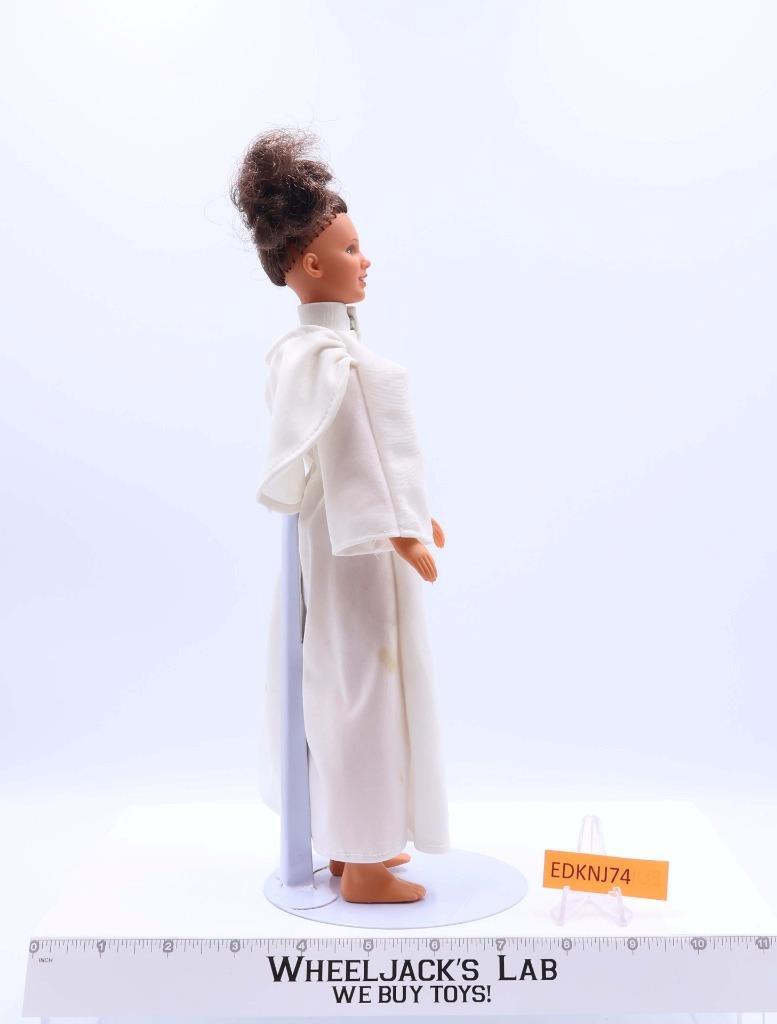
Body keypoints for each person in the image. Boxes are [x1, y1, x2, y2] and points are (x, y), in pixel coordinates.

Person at [231, 128, 450, 903]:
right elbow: (351, 457)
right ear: (312, 264)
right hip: (350, 549)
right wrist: (398, 528)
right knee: (359, 690)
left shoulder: (325, 354)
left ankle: (354, 841)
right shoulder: (323, 361)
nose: (365, 261)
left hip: (350, 540)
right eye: (351, 249)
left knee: (350, 683)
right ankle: (360, 864)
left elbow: (373, 455)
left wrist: (416, 516)